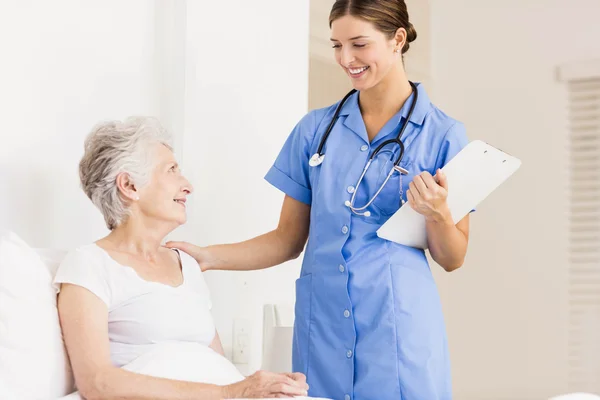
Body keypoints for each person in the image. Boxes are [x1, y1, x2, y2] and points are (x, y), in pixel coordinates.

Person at [167, 1, 471, 399]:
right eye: (337, 45)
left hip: (397, 328)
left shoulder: (444, 135)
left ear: (398, 40)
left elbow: (453, 257)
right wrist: (206, 256)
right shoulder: (315, 130)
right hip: (323, 328)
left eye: (359, 44)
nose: (346, 59)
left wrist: (439, 216)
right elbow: (287, 240)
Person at [53, 117, 309, 400]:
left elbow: (218, 371)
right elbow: (97, 383)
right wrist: (233, 391)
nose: (187, 186)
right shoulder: (89, 264)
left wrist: (264, 387)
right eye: (172, 170)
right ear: (129, 185)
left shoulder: (186, 264)